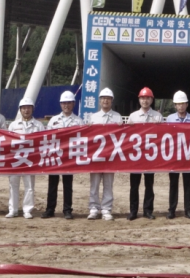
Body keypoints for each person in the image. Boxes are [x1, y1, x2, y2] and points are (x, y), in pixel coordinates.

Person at [86, 87, 123, 220]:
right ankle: (94, 208)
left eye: (108, 99)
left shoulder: (117, 117)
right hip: (96, 157)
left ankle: (106, 209)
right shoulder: (93, 117)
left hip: (111, 157)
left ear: (112, 101)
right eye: (103, 99)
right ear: (99, 101)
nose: (105, 101)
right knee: (94, 184)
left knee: (108, 184)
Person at [43, 90, 80, 219]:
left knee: (68, 184)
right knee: (52, 184)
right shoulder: (53, 121)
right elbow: (47, 137)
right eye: (64, 103)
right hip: (55, 156)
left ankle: (67, 210)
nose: (66, 105)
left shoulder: (78, 121)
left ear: (73, 104)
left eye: (69, 103)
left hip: (69, 157)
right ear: (60, 104)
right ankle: (50, 209)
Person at [127, 87, 163, 220]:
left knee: (149, 185)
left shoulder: (158, 116)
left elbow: (163, 135)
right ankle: (133, 211)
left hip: (150, 156)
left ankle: (148, 210)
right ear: (139, 99)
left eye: (147, 98)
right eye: (142, 98)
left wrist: (160, 126)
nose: (145, 101)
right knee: (134, 186)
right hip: (136, 156)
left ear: (152, 100)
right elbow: (126, 135)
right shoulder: (133, 116)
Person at [7, 98, 44, 218]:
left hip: (30, 159)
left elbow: (42, 142)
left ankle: (27, 210)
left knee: (29, 186)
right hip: (15, 159)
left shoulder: (38, 125)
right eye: (23, 108)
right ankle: (13, 209)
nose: (26, 110)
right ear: (20, 110)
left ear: (32, 109)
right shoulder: (13, 125)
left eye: (28, 108)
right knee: (13, 185)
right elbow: (7, 142)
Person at [164, 90, 190, 220]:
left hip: (188, 157)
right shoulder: (170, 119)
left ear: (187, 104)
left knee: (188, 184)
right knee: (173, 184)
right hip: (174, 157)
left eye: (183, 103)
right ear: (175, 105)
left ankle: (188, 210)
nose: (181, 106)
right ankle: (172, 210)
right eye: (178, 104)